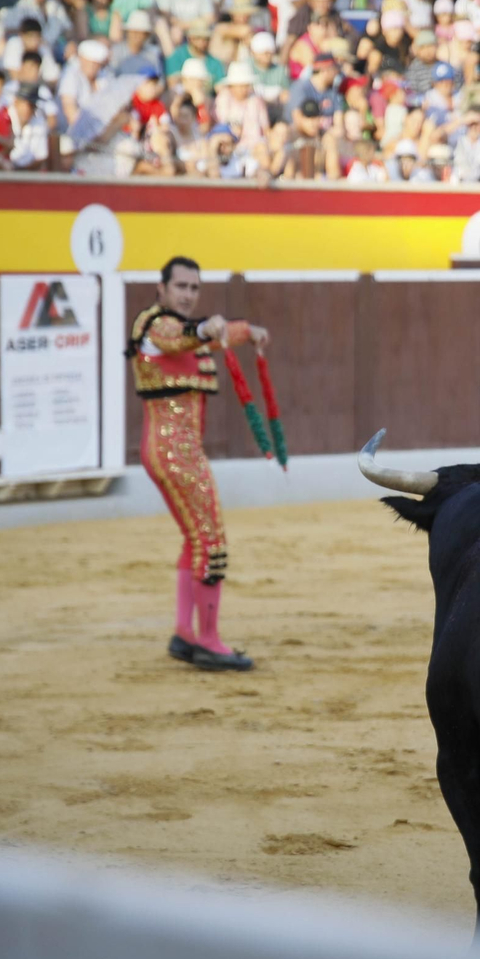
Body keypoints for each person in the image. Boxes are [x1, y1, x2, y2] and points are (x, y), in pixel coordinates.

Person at [126, 255, 271, 672]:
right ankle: (208, 640)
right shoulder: (155, 325)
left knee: (195, 539)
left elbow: (204, 336)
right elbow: (182, 335)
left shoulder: (177, 329)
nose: (188, 294)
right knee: (212, 541)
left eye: (194, 288)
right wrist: (204, 327)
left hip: (169, 450)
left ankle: (185, 634)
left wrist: (248, 331)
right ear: (162, 288)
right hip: (176, 453)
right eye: (181, 287)